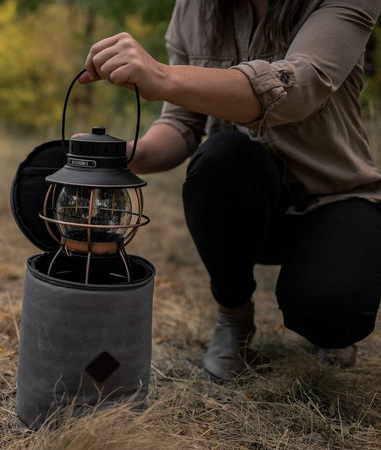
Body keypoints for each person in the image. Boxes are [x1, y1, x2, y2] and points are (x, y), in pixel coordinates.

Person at [79, 0, 381, 381]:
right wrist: (123, 156)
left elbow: (300, 87)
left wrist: (163, 77)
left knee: (333, 313)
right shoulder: (193, 8)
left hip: (333, 196)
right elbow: (182, 123)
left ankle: (324, 308)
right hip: (246, 201)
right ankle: (234, 315)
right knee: (220, 157)